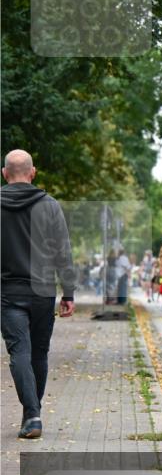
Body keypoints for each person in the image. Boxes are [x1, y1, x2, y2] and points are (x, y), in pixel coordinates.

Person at [1, 149, 76, 439]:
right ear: (33, 173)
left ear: (5, 173)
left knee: (19, 351)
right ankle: (33, 413)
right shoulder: (50, 205)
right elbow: (63, 251)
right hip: (43, 291)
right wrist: (68, 292)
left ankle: (31, 414)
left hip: (7, 291)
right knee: (39, 353)